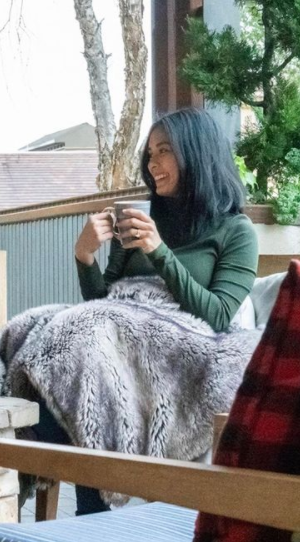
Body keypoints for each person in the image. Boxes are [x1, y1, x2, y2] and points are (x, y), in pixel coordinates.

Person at [37, 108, 259, 515]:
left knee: (79, 352)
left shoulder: (236, 232)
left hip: (180, 356)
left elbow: (218, 315)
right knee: (45, 339)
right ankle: (92, 509)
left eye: (164, 151)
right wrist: (84, 255)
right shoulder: (140, 218)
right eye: (150, 154)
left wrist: (159, 252)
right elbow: (101, 307)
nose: (153, 164)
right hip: (118, 346)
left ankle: (92, 512)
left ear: (197, 154)